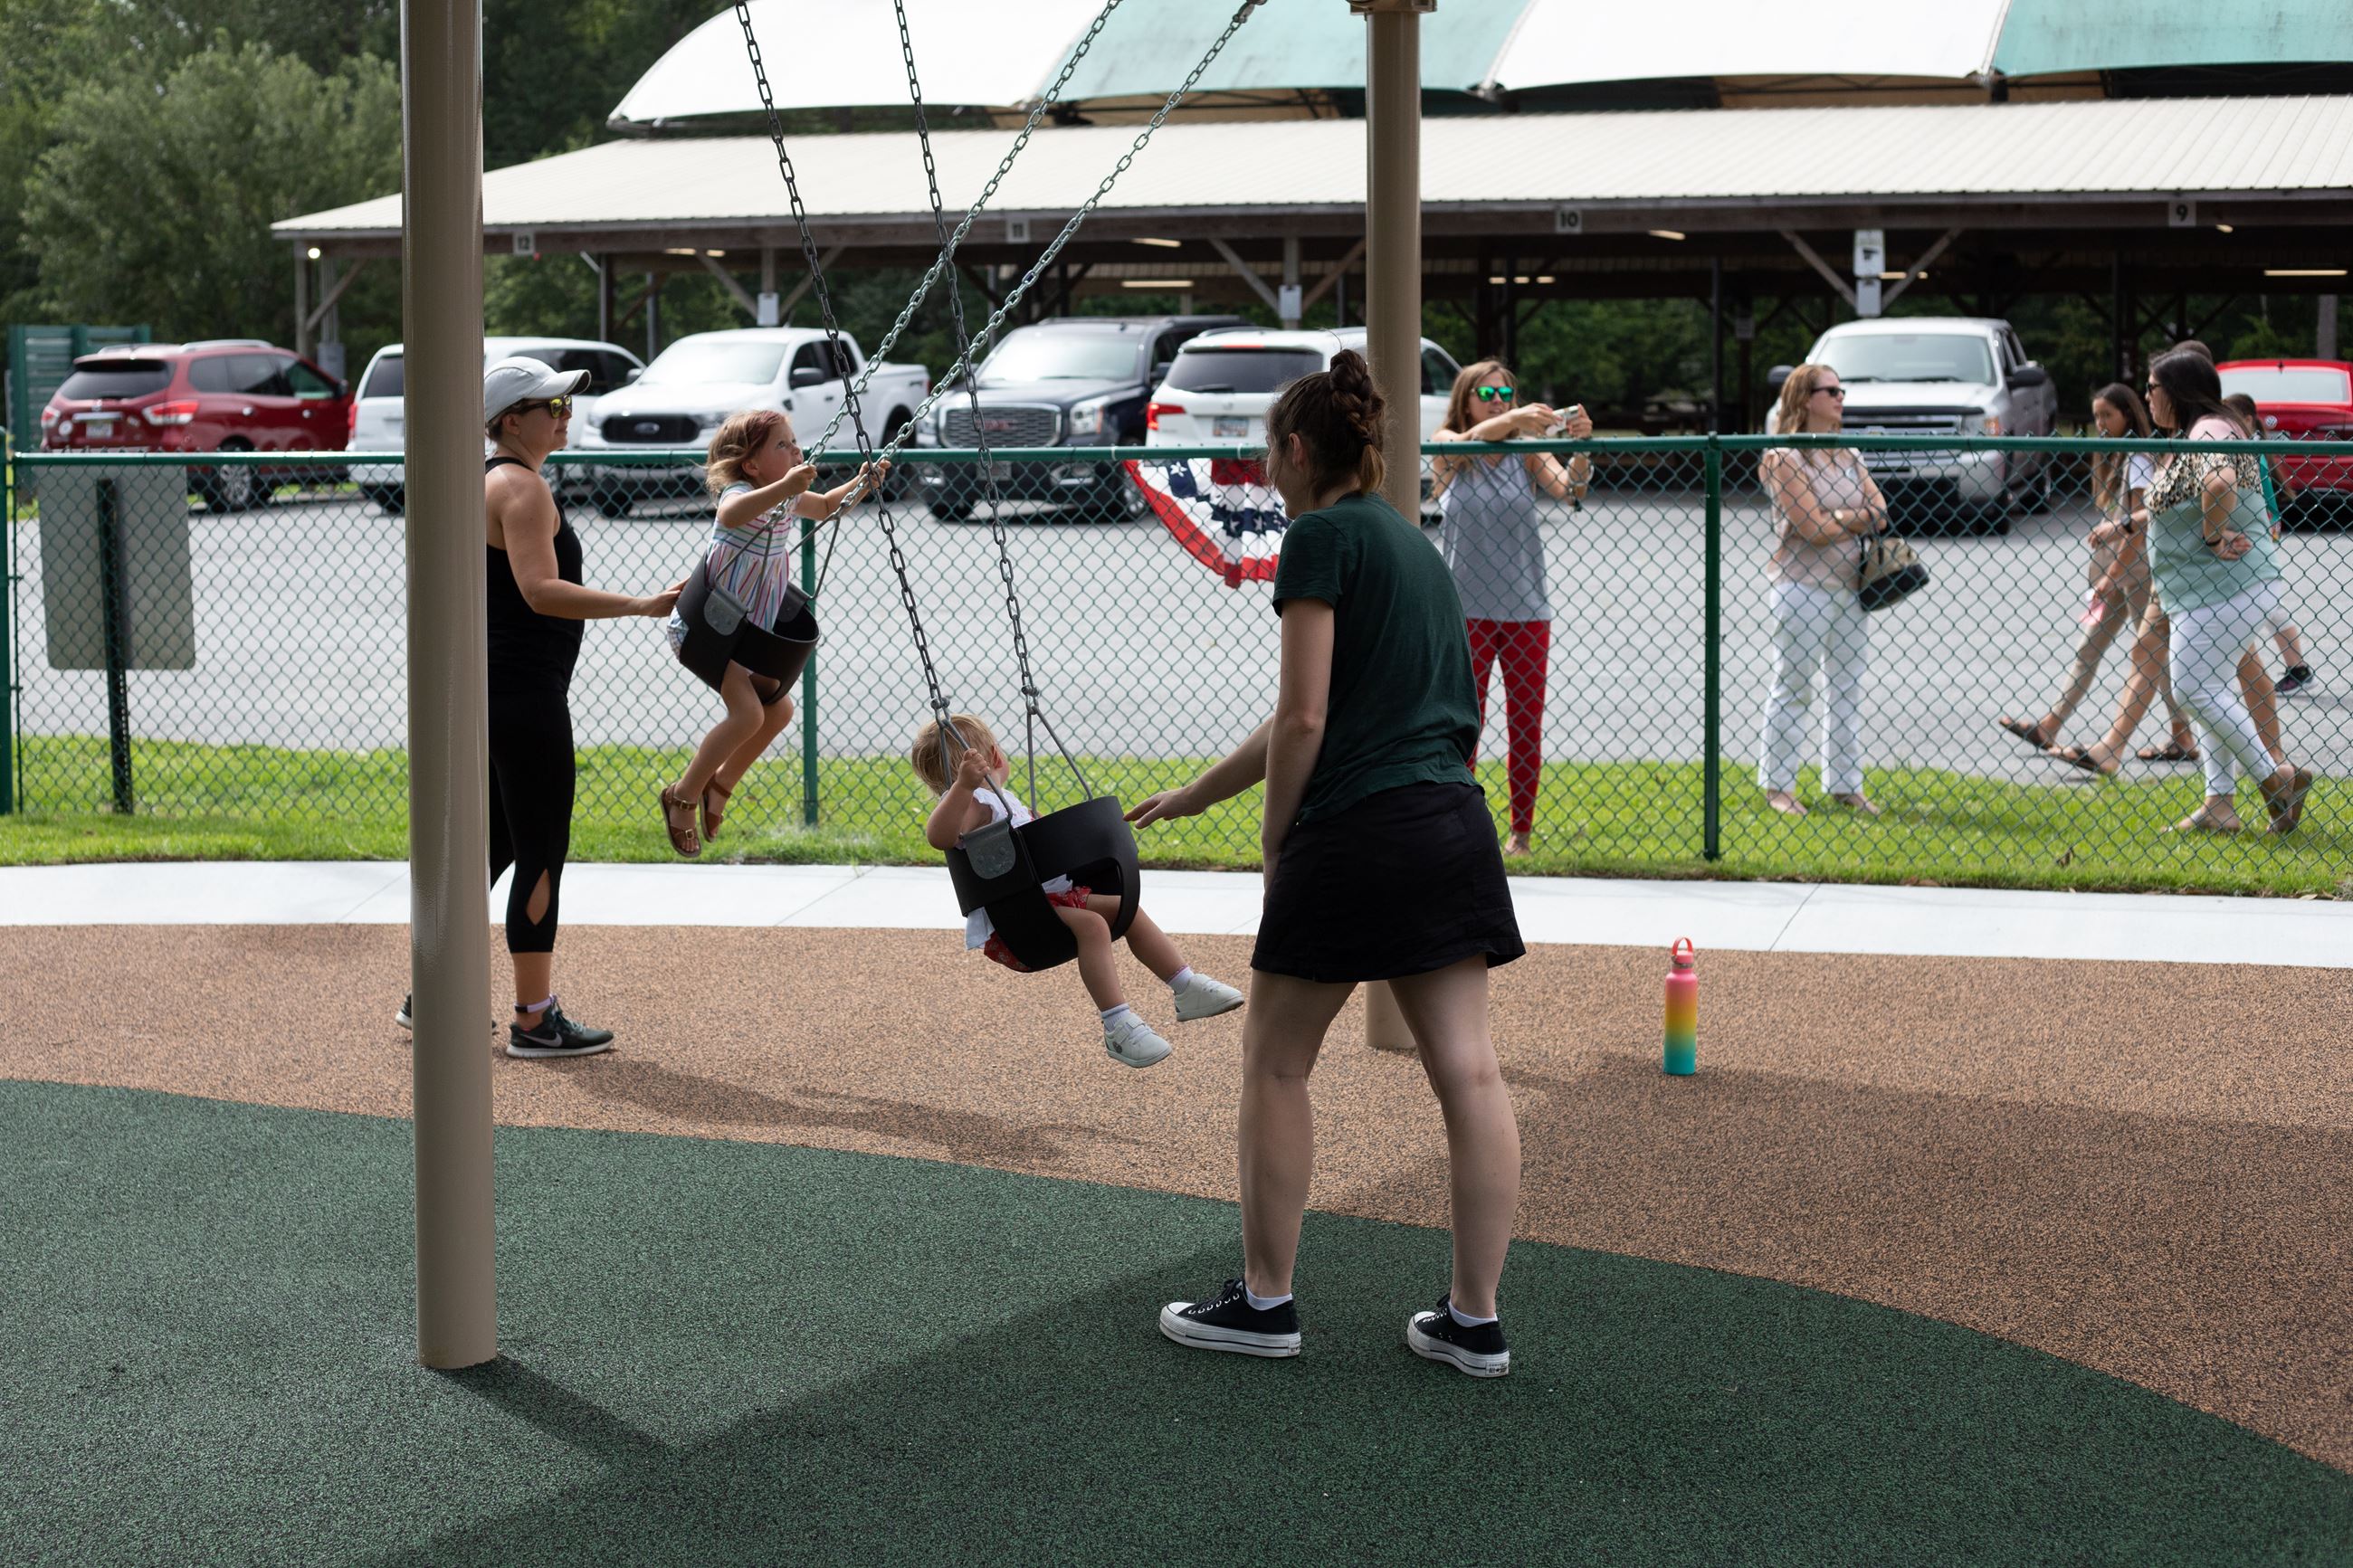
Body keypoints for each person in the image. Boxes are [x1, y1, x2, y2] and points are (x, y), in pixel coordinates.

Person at [1127, 350, 1527, 1377]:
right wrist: (1196, 794)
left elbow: (1304, 715)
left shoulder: (1316, 538)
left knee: (1274, 1061)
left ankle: (1264, 1302)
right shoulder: (1408, 543)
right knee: (1470, 1072)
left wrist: (1273, 838)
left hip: (1357, 829)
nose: (1266, 472)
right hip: (1453, 822)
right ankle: (1472, 1321)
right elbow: (1310, 711)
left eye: (1269, 454)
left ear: (1298, 449)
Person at [397, 357, 681, 1056]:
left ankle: (432, 993)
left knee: (487, 848)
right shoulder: (520, 488)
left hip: (491, 688)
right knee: (540, 849)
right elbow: (539, 590)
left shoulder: (485, 481)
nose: (563, 414)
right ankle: (533, 1017)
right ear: (509, 420)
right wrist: (641, 603)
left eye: (563, 403)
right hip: (525, 692)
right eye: (548, 405)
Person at [912, 714, 1243, 1068]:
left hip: (1052, 901)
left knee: (1127, 910)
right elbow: (939, 837)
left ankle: (1185, 985)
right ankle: (1118, 1025)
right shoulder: (970, 805)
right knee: (1094, 926)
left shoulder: (1002, 800)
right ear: (994, 755)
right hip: (1017, 919)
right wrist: (962, 787)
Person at [659, 410, 883, 856]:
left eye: (794, 441)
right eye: (783, 445)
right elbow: (731, 512)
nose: (796, 450)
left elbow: (823, 507)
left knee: (777, 713)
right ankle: (682, 794)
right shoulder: (743, 494)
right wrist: (785, 487)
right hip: (706, 630)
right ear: (751, 465)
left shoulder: (785, 498)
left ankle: (720, 785)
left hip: (743, 634)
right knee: (749, 715)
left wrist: (862, 483)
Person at [2122, 349, 2311, 833]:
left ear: (2178, 390)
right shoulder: (2206, 428)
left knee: (2191, 688)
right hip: (2205, 591)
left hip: (2224, 588)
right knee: (2211, 690)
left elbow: (2221, 479)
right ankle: (2220, 805)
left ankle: (2276, 778)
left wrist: (2213, 533)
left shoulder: (2209, 430)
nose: (2146, 397)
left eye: (2152, 388)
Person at [1429, 360, 1593, 857]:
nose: (1499, 399)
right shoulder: (1447, 444)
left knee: (1526, 724)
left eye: (1506, 392)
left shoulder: (1527, 451)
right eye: (1487, 392)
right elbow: (1455, 451)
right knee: (1462, 725)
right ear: (1466, 399)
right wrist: (1514, 420)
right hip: (1464, 613)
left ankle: (1521, 833)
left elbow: (1572, 492)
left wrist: (1581, 450)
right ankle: (1461, 828)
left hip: (1526, 610)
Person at [1997, 385, 2164, 753]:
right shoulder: (2113, 456)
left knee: (2151, 655)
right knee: (2089, 648)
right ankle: (2049, 726)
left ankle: (2182, 734)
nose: (2101, 424)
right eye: (2097, 417)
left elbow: (2138, 528)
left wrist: (2110, 576)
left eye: (2108, 416)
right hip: (2112, 576)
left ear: (2128, 414)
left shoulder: (2137, 459)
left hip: (2135, 574)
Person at [1756, 363, 1889, 818]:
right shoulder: (1783, 456)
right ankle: (1778, 786)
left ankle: (1845, 784)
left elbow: (1880, 511)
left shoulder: (1849, 453)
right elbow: (1809, 528)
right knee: (1793, 686)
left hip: (1851, 587)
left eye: (1841, 390)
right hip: (1801, 587)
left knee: (1846, 689)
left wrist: (1834, 519)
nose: (1840, 398)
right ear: (1804, 399)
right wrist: (1851, 518)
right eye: (1830, 390)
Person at [2221, 391, 2316, 696]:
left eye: (2230, 418)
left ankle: (2298, 668)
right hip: (2260, 527)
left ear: (2248, 420)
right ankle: (2295, 667)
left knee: (2264, 604)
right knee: (2261, 603)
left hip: (2257, 529)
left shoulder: (2249, 449)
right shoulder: (2249, 448)